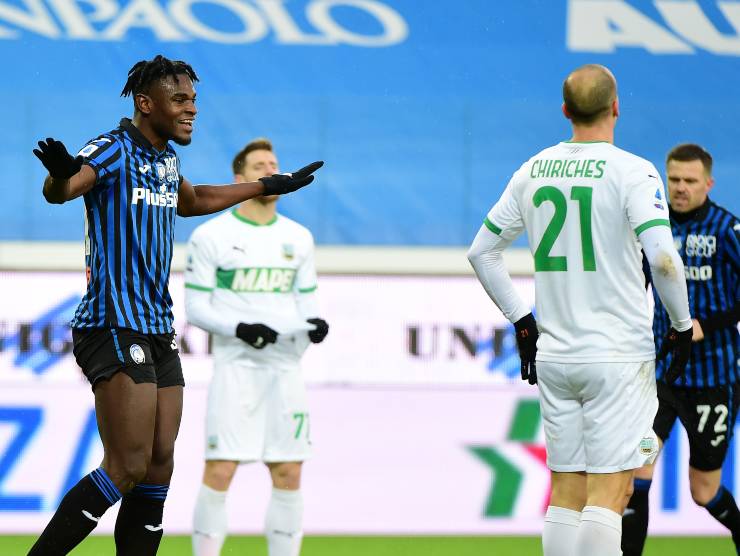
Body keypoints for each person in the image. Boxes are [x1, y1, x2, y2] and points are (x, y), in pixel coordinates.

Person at [28, 55, 322, 556]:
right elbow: (67, 188)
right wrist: (58, 176)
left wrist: (266, 186)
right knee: (127, 465)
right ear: (147, 103)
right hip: (111, 324)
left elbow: (191, 200)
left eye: (193, 101)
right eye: (180, 100)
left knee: (160, 464)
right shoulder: (113, 148)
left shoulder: (166, 160)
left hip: (157, 330)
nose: (192, 110)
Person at [467, 64, 693, 556]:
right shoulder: (633, 171)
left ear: (565, 111)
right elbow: (663, 259)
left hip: (555, 355)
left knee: (566, 495)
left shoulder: (533, 169)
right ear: (616, 107)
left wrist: (522, 320)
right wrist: (680, 324)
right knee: (610, 495)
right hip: (615, 357)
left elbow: (481, 252)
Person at [185, 137, 328, 556]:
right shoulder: (211, 235)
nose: (270, 170)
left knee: (288, 472)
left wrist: (314, 325)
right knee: (221, 468)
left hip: (285, 370)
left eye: (274, 163)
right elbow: (195, 308)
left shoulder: (299, 238)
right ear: (240, 178)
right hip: (236, 368)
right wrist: (240, 327)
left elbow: (307, 302)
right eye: (259, 165)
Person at [622, 144, 740, 555]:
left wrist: (707, 325)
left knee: (704, 491)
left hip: (713, 380)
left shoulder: (728, 230)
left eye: (690, 181)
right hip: (660, 381)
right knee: (637, 468)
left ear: (708, 183)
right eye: (674, 179)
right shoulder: (652, 229)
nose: (681, 188)